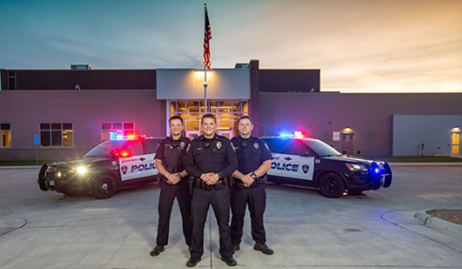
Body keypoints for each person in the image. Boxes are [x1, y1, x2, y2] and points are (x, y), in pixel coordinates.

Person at [184, 114, 238, 267]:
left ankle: (227, 254)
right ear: (201, 126)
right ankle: (195, 254)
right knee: (197, 224)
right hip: (200, 191)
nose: (208, 126)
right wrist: (201, 175)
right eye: (205, 124)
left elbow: (233, 164)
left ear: (215, 125)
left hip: (220, 190)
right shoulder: (194, 144)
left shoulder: (225, 143)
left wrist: (218, 175)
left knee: (223, 223)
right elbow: (187, 165)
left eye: (211, 123)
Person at [230, 116, 274, 255]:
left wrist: (252, 176)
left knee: (257, 215)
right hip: (238, 187)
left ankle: (260, 243)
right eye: (241, 124)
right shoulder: (231, 143)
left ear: (252, 126)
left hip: (257, 188)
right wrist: (242, 177)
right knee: (237, 216)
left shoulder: (260, 143)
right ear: (238, 127)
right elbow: (227, 165)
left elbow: (267, 163)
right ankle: (234, 242)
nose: (244, 127)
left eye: (247, 124)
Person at [150, 116, 192, 256]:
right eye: (172, 125)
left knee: (187, 215)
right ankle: (160, 244)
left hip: (184, 184)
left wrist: (179, 176)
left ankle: (191, 243)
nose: (175, 127)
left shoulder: (188, 143)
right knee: (164, 214)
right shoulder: (163, 143)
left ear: (182, 126)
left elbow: (192, 164)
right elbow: (158, 162)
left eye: (178, 125)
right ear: (170, 127)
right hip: (167, 184)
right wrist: (168, 176)